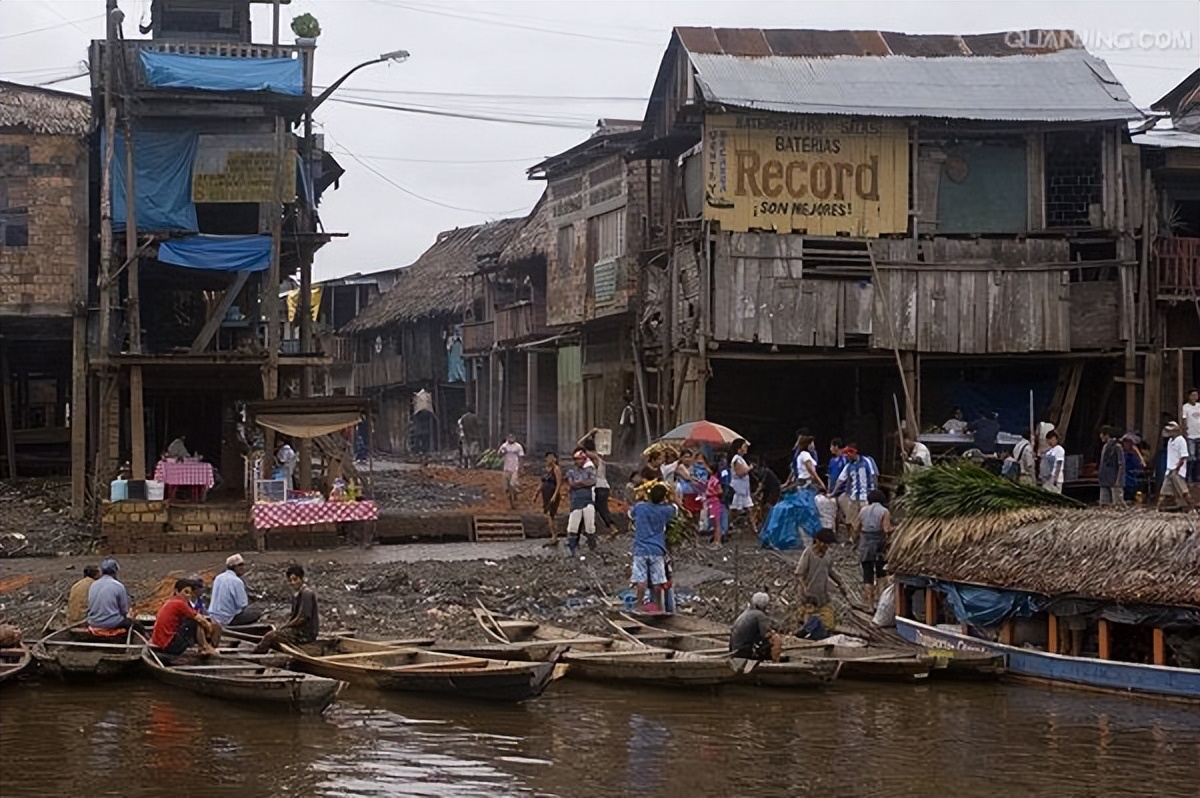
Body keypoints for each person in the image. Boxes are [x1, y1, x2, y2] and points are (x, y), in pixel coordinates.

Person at [253, 565, 320, 654]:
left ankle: (256, 655)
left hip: (305, 633)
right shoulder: (296, 594)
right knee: (275, 634)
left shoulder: (306, 593)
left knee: (270, 636)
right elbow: (293, 616)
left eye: (295, 579)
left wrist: (286, 626)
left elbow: (303, 618)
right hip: (299, 630)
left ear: (302, 578)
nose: (293, 583)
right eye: (290, 580)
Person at [629, 483, 675, 609]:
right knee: (658, 581)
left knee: (641, 580)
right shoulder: (666, 510)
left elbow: (630, 513)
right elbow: (675, 508)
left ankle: (638, 606)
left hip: (641, 549)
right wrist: (672, 498)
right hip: (657, 549)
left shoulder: (640, 507)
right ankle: (659, 607)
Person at [149, 579, 219, 657]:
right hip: (168, 646)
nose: (188, 595)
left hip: (162, 643)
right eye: (185, 592)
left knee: (194, 621)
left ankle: (204, 647)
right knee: (194, 622)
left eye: (190, 593)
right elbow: (199, 619)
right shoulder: (179, 603)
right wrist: (209, 628)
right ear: (176, 591)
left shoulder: (171, 601)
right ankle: (205, 647)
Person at [794, 529, 847, 628]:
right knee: (809, 624)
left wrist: (840, 584)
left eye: (828, 544)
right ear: (817, 541)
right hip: (808, 596)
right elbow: (799, 574)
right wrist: (804, 588)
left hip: (822, 595)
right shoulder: (808, 553)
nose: (826, 546)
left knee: (829, 624)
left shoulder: (827, 556)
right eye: (824, 543)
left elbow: (831, 571)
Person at [830, 445, 878, 541]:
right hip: (853, 497)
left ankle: (862, 539)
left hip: (865, 497)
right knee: (849, 520)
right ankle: (853, 538)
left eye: (848, 454)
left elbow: (873, 476)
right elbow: (840, 480)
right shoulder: (848, 466)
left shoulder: (867, 461)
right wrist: (833, 493)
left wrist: (874, 492)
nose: (847, 456)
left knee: (864, 520)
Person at [855, 489, 892, 606]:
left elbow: (856, 527)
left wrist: (856, 541)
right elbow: (886, 529)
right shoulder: (884, 511)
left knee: (867, 575)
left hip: (865, 545)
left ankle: (869, 605)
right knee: (881, 574)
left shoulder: (863, 510)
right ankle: (881, 604)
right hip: (879, 546)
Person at [578, 429, 616, 535]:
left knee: (596, 508)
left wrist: (590, 433)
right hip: (603, 486)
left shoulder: (593, 457)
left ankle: (610, 528)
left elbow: (579, 444)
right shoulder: (600, 456)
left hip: (598, 487)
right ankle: (589, 530)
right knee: (596, 508)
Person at [209, 553, 263, 627]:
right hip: (228, 619)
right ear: (234, 567)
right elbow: (242, 604)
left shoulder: (218, 578)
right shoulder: (237, 581)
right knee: (257, 612)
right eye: (241, 565)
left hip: (213, 617)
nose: (243, 568)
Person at [86, 558, 137, 635]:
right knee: (135, 624)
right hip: (111, 623)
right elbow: (124, 610)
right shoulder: (118, 586)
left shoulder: (93, 584)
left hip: (93, 622)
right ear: (115, 572)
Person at [728, 592, 780, 662]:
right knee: (770, 642)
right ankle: (769, 661)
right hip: (744, 652)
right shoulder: (760, 615)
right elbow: (765, 635)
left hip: (735, 650)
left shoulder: (746, 613)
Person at [564, 448, 598, 555]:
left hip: (587, 500)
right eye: (577, 459)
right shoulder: (571, 472)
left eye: (581, 459)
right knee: (573, 526)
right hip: (576, 501)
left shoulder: (589, 470)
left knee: (590, 526)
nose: (579, 461)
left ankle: (592, 547)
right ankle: (572, 548)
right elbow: (572, 484)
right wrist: (584, 483)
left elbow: (592, 482)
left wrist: (579, 483)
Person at [1157, 421, 1192, 511]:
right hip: (1169, 469)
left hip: (1177, 470)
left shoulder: (1181, 440)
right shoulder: (1170, 441)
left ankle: (1191, 508)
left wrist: (1177, 468)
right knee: (1164, 491)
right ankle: (1158, 508)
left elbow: (1184, 456)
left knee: (1183, 491)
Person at [535, 452, 564, 546]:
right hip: (545, 494)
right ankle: (555, 534)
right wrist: (536, 494)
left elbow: (559, 484)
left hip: (552, 493)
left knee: (549, 515)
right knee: (549, 515)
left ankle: (554, 536)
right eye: (548, 458)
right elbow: (542, 482)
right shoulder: (545, 470)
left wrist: (555, 496)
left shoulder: (556, 469)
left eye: (552, 457)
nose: (550, 459)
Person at [728, 438, 754, 532]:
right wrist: (749, 468)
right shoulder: (736, 459)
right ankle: (726, 526)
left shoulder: (741, 459)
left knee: (749, 509)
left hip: (744, 489)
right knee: (734, 510)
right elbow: (740, 472)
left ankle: (754, 529)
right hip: (737, 489)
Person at [1097, 426, 1126, 508]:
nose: (1100, 436)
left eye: (1102, 434)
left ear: (1106, 435)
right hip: (1104, 479)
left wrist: (1118, 480)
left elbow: (1121, 465)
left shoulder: (1117, 447)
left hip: (1114, 480)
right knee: (1104, 504)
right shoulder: (1105, 447)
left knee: (1118, 504)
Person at [498, 433, 525, 509]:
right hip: (506, 469)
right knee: (506, 488)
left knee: (512, 484)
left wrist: (521, 467)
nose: (511, 439)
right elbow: (499, 454)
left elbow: (521, 457)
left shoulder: (518, 446)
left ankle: (515, 495)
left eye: (512, 437)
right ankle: (511, 502)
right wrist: (503, 452)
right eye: (509, 437)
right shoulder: (504, 446)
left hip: (515, 469)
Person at [1122, 433, 1147, 503]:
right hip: (1124, 478)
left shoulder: (1135, 455)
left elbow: (1143, 465)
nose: (1126, 444)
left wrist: (1137, 452)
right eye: (1125, 442)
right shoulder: (1121, 453)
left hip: (1132, 478)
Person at [704, 467, 725, 549]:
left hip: (714, 501)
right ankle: (715, 540)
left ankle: (718, 541)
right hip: (710, 501)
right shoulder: (711, 479)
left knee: (717, 523)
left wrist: (712, 492)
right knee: (714, 523)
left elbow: (720, 491)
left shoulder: (716, 480)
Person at [1184, 389, 1200, 482]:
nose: (1195, 397)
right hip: (1191, 435)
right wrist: (1185, 431)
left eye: (1196, 395)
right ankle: (1189, 477)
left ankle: (1197, 476)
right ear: (1189, 396)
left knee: (1198, 457)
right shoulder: (1185, 407)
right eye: (1193, 395)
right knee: (1191, 457)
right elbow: (1184, 419)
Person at [618, 391, 637, 459]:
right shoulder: (628, 409)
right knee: (626, 443)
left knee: (623, 443)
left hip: (627, 427)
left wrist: (621, 429)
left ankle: (624, 458)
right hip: (628, 427)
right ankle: (626, 457)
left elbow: (625, 420)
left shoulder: (628, 409)